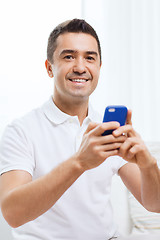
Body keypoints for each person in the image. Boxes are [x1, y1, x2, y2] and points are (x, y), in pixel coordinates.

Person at [0, 19, 160, 240]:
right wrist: (80, 162)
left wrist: (147, 163)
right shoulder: (21, 130)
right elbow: (12, 214)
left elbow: (154, 204)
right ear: (49, 68)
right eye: (69, 56)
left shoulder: (109, 128)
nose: (80, 67)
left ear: (99, 68)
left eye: (90, 58)